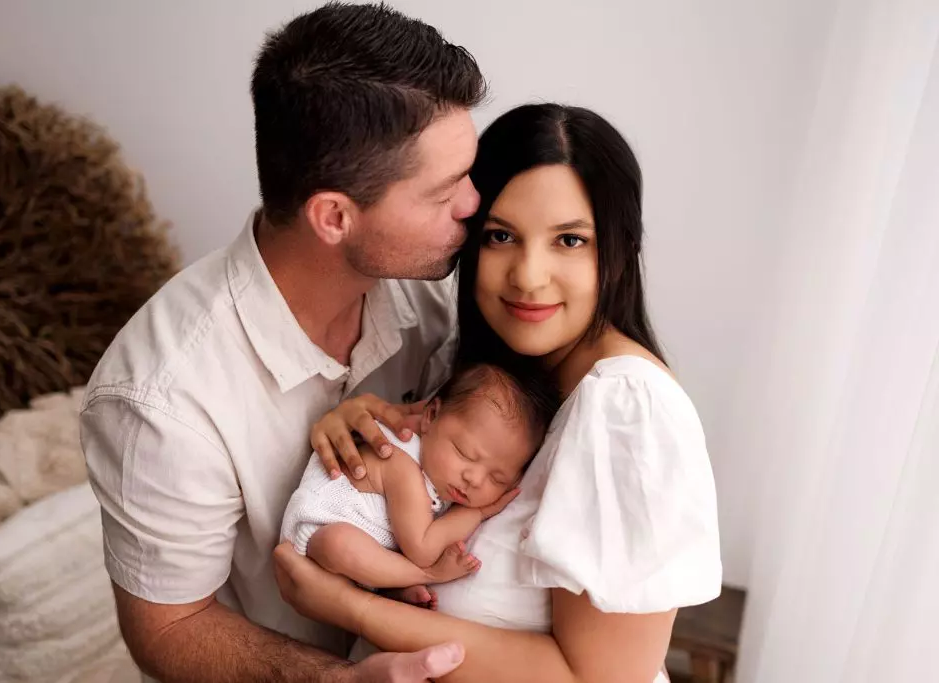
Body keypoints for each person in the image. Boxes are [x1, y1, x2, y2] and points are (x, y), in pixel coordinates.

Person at [78, 4, 489, 682]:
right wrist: (336, 678)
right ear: (333, 216)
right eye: (444, 192)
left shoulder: (428, 292)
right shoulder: (162, 397)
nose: (474, 205)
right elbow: (171, 627)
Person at [275, 103, 724, 683]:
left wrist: (351, 607)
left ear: (618, 250)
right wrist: (356, 423)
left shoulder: (626, 409)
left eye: (569, 240)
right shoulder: (488, 366)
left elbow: (605, 678)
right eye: (501, 235)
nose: (528, 276)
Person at [280, 362, 559, 597]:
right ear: (431, 415)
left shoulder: (439, 468)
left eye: (498, 479)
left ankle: (394, 584)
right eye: (464, 453)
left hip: (367, 552)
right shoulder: (400, 464)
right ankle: (425, 576)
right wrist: (478, 512)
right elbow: (422, 548)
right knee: (338, 543)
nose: (474, 479)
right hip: (315, 537)